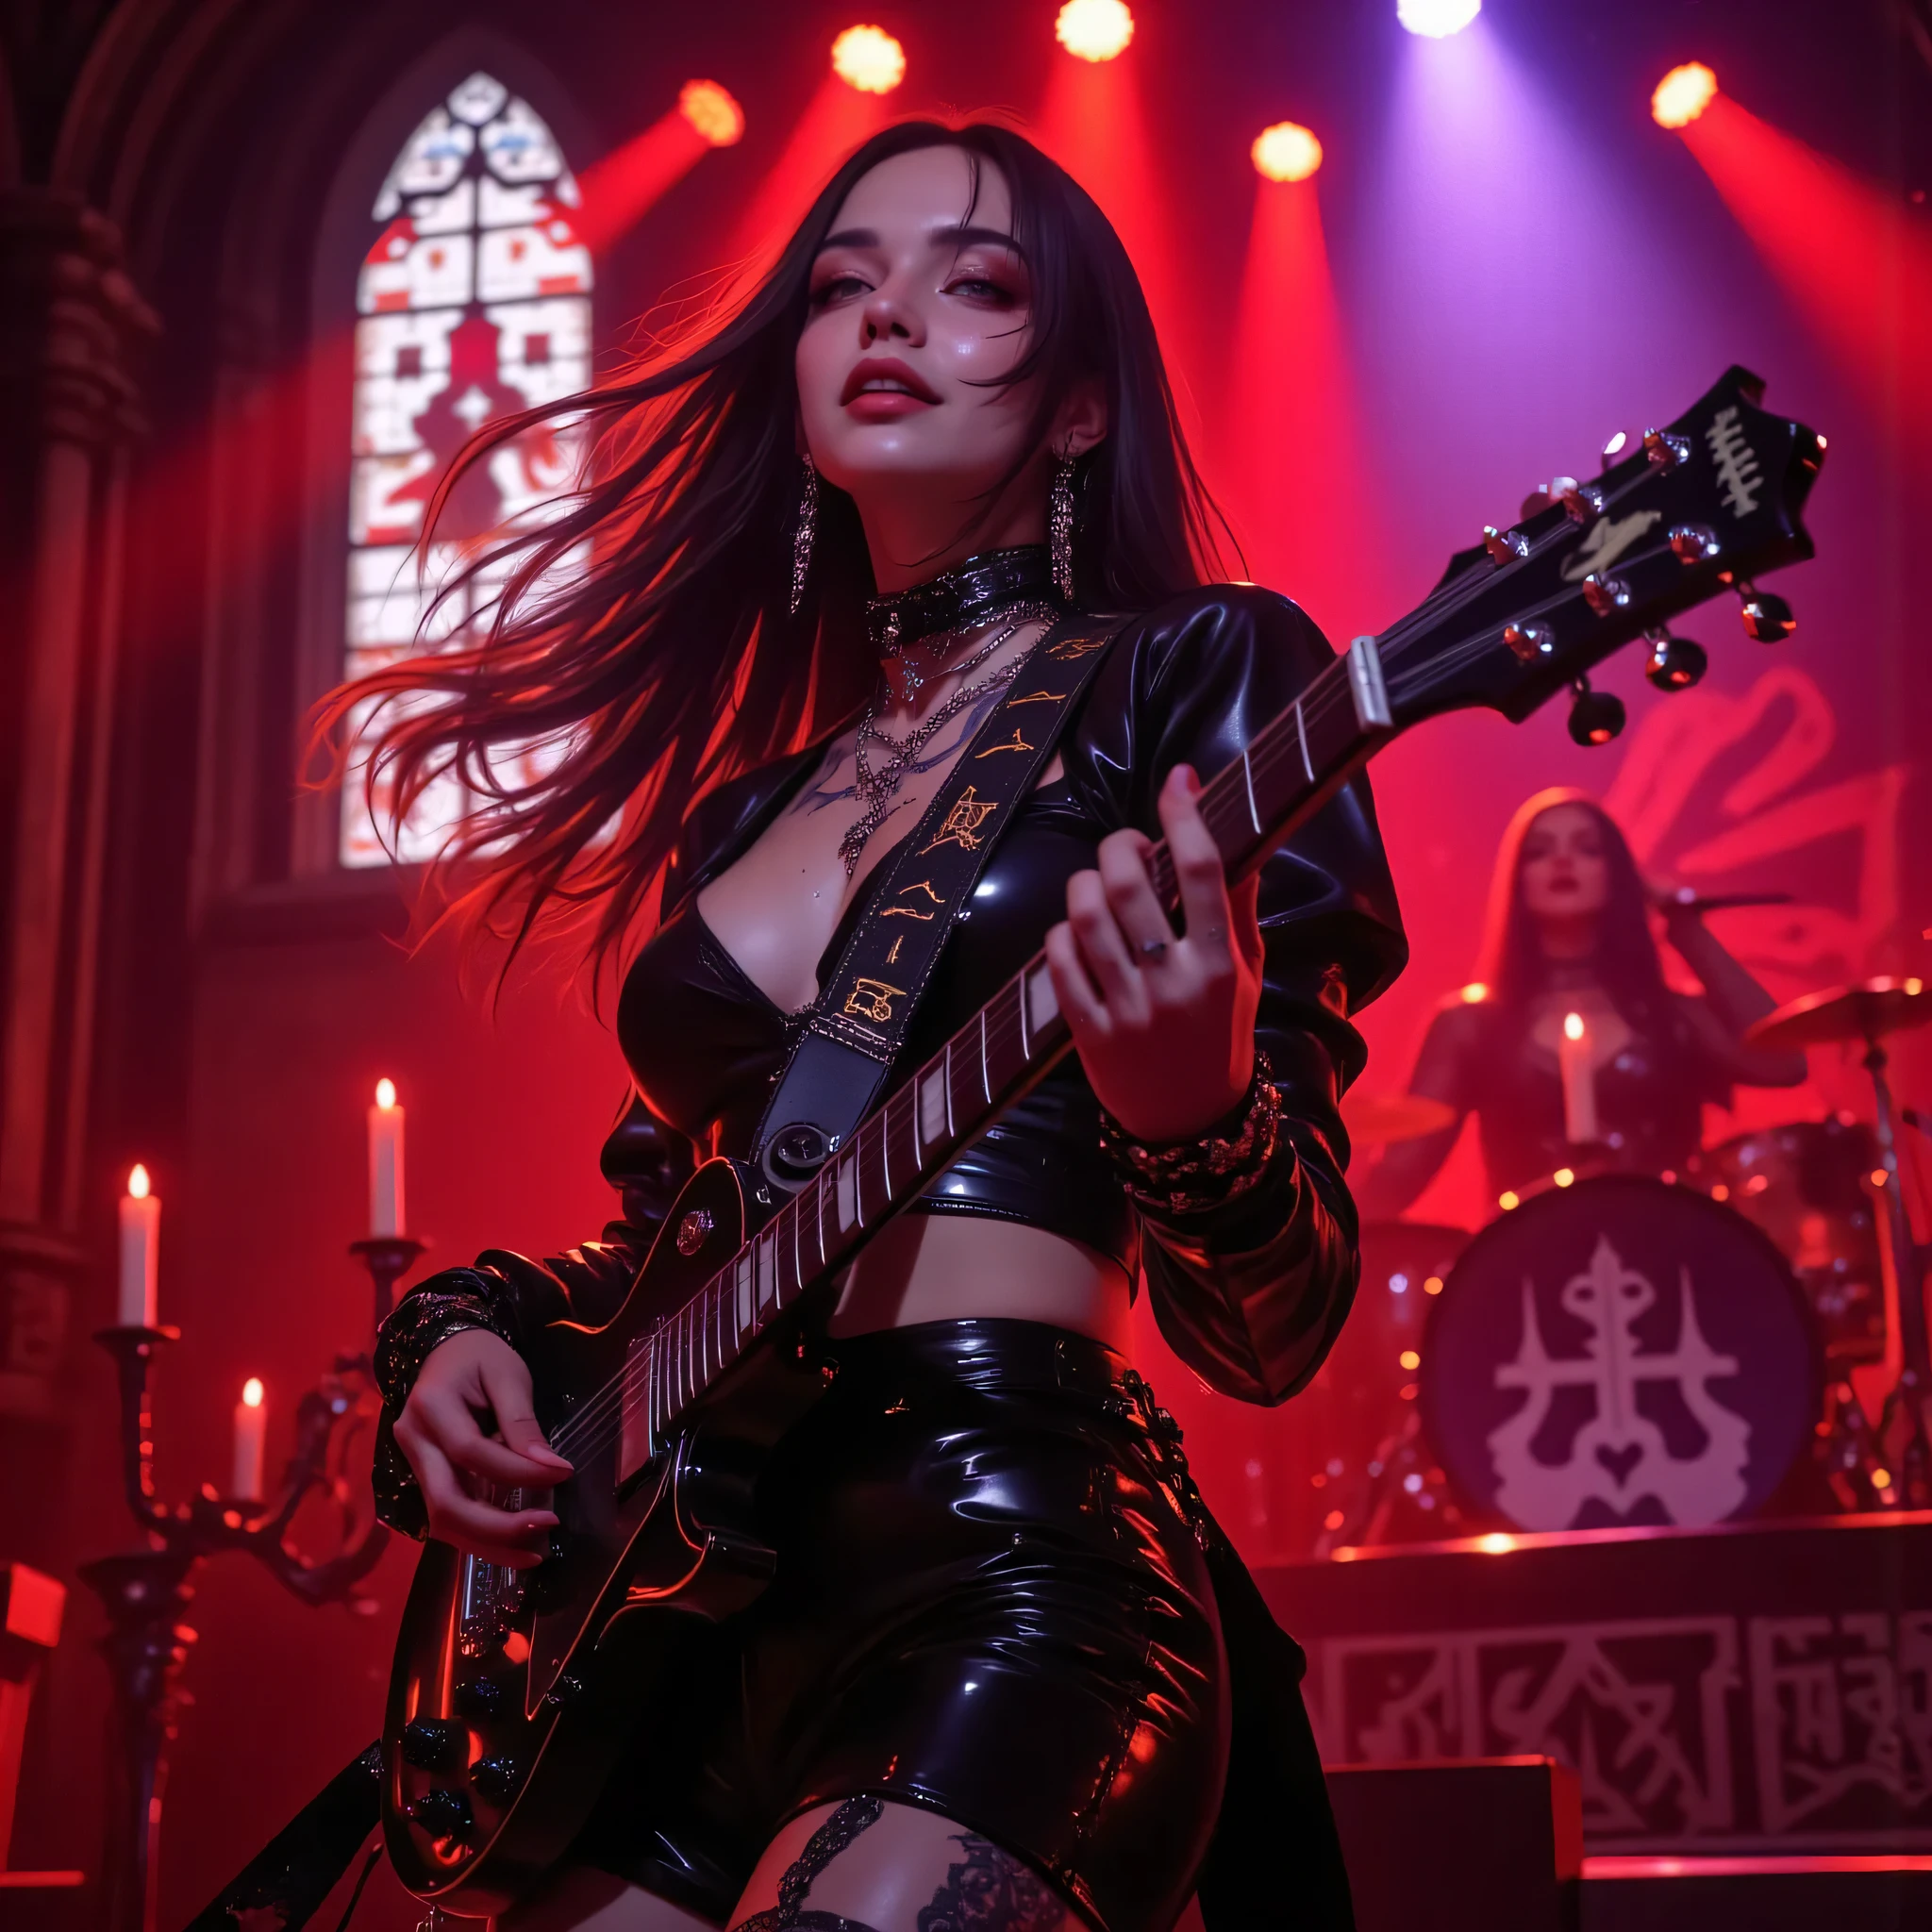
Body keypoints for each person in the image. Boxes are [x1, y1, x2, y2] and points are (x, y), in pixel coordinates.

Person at [342, 122, 1405, 1932]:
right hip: (682, 1620)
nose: (884, 312)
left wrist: (1192, 1106)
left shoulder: (1193, 670)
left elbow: (1275, 1320)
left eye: (969, 280)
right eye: (840, 284)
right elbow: (663, 1241)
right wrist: (470, 1338)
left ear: (1077, 407)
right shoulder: (741, 822)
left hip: (1005, 1554)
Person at [1357, 788, 1802, 1218]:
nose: (1563, 860)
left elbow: (1784, 1064)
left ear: (1620, 877)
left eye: (1588, 849)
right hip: (1527, 1268)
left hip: (1673, 1258)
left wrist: (1687, 929)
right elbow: (1398, 1177)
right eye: (1540, 851)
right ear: (1517, 881)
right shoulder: (1470, 1026)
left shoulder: (1674, 1016)